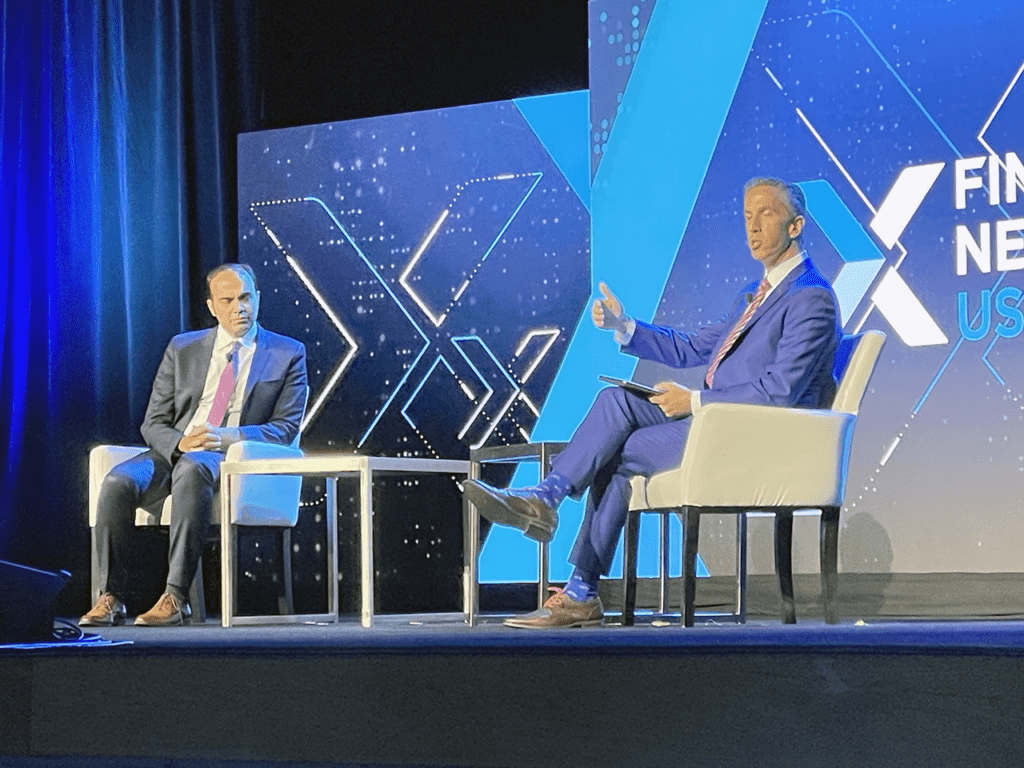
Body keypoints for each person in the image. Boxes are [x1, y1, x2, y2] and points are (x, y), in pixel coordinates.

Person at [463, 177, 840, 628]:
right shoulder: (752, 295)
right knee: (615, 403)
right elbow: (692, 347)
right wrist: (626, 327)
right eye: (746, 216)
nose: (753, 228)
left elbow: (780, 391)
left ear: (796, 226)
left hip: (747, 434)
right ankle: (545, 499)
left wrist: (696, 401)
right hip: (712, 422)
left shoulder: (811, 298)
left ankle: (579, 587)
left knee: (614, 453)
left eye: (766, 215)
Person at [81, 263, 308, 627]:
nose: (240, 308)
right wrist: (181, 442)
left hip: (231, 456)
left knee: (193, 468)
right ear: (212, 306)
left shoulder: (287, 352)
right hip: (176, 448)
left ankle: (175, 597)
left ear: (258, 299)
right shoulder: (182, 348)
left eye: (247, 298)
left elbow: (284, 428)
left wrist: (228, 437)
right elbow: (153, 422)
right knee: (116, 483)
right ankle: (109, 597)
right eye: (229, 300)